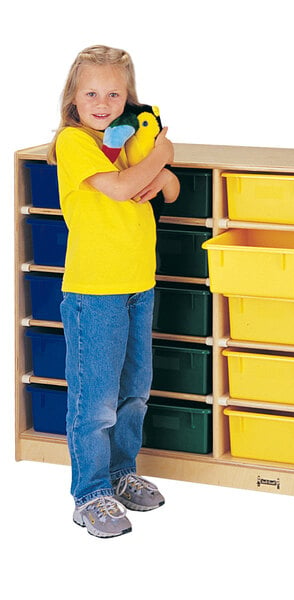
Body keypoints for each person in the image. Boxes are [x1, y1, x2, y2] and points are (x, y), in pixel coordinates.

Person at [47, 45, 180, 538]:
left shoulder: (125, 144)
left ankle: (122, 475)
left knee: (133, 393)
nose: (103, 102)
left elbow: (171, 191)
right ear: (73, 99)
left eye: (114, 93)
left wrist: (156, 170)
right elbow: (124, 190)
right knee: (94, 401)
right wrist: (162, 156)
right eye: (91, 93)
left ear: (128, 100)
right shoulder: (74, 142)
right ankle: (90, 494)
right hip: (95, 292)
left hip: (137, 285)